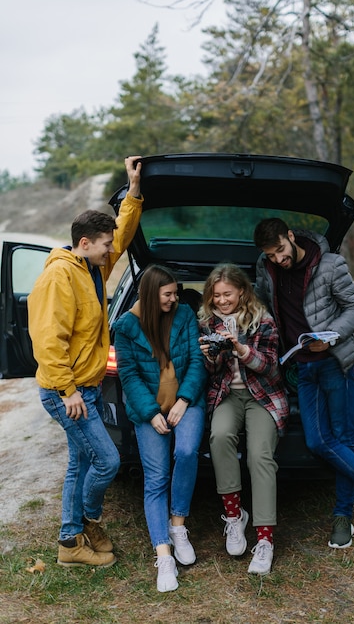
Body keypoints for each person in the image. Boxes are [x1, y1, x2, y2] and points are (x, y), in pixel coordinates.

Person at [253, 217, 354, 549]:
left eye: (280, 250)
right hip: (302, 369)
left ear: (290, 237)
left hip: (335, 363)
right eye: (271, 254)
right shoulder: (266, 269)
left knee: (345, 439)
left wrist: (332, 337)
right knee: (317, 441)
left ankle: (343, 517)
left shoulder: (331, 265)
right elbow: (262, 306)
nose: (279, 259)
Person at [27, 155, 144, 568]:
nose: (111, 249)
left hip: (86, 388)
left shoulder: (92, 267)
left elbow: (124, 235)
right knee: (106, 460)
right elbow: (47, 340)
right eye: (105, 244)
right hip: (67, 392)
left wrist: (132, 191)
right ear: (84, 243)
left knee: (79, 465)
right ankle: (87, 524)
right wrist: (69, 390)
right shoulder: (59, 276)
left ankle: (69, 544)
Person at [113, 265, 207, 593]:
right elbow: (128, 375)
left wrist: (184, 399)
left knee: (187, 451)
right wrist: (151, 412)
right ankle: (163, 554)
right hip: (147, 408)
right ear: (151, 295)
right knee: (156, 477)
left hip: (186, 400)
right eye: (168, 294)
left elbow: (196, 360)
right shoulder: (125, 327)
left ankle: (178, 525)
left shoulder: (183, 315)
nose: (174, 298)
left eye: (174, 294)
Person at [198, 263, 289, 575]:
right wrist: (211, 356)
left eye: (228, 294)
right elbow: (212, 372)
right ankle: (234, 517)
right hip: (227, 395)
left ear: (242, 291)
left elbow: (272, 369)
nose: (222, 300)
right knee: (219, 437)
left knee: (259, 455)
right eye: (216, 295)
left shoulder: (262, 321)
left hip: (262, 395)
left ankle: (265, 540)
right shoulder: (207, 321)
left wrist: (240, 348)